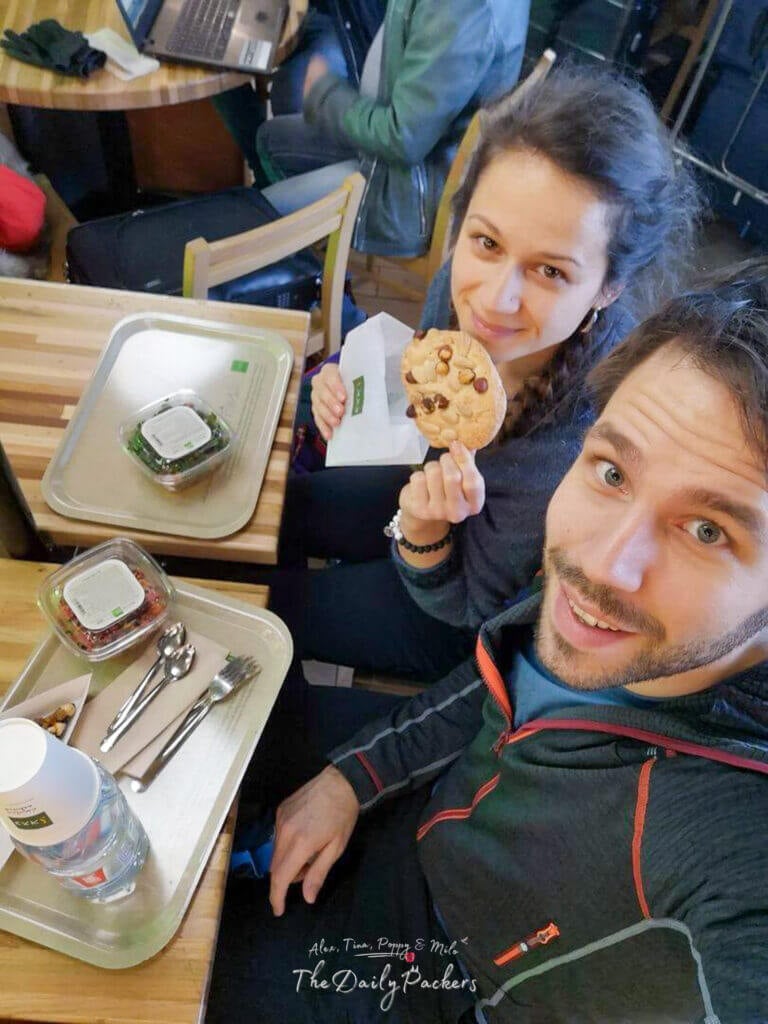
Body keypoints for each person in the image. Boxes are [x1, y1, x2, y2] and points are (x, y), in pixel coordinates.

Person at [206, 258, 768, 1024]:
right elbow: (495, 675)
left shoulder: (728, 840)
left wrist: (422, 544)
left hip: (438, 980)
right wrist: (354, 778)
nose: (602, 564)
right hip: (420, 812)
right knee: (215, 725)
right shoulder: (607, 598)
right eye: (610, 471)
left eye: (709, 530)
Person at [269, 64, 701, 684]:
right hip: (420, 498)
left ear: (609, 287)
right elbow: (420, 391)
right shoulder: (457, 288)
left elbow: (473, 610)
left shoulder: (582, 444)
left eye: (551, 272)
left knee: (271, 605)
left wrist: (424, 537)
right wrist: (341, 386)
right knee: (277, 512)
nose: (494, 301)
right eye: (488, 243)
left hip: (448, 612)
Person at [220, 0, 530, 257]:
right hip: (404, 152)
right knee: (271, 140)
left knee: (254, 221)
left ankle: (333, 299)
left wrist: (325, 95)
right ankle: (307, 258)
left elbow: (402, 139)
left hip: (405, 194)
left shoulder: (459, 12)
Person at [212, 0, 386, 188]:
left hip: (337, 22)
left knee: (294, 102)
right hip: (273, 10)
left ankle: (274, 185)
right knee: (213, 59)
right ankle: (265, 180)